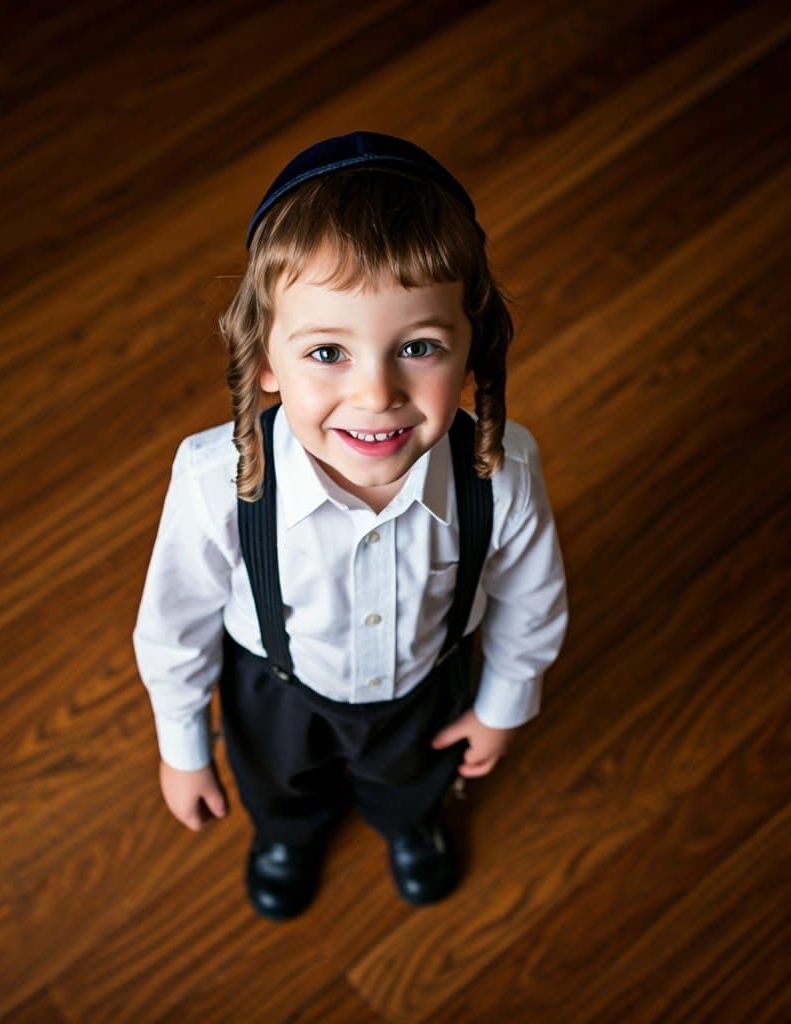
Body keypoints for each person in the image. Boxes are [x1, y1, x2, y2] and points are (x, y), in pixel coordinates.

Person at [133, 131, 568, 921]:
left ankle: (409, 825)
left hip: (425, 686)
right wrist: (185, 749)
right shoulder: (217, 480)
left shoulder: (501, 474)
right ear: (264, 359)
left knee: (416, 777)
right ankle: (287, 836)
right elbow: (174, 624)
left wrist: (503, 703)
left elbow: (531, 602)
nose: (376, 394)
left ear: (473, 346)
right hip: (276, 689)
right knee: (276, 781)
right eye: (328, 351)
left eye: (420, 347)